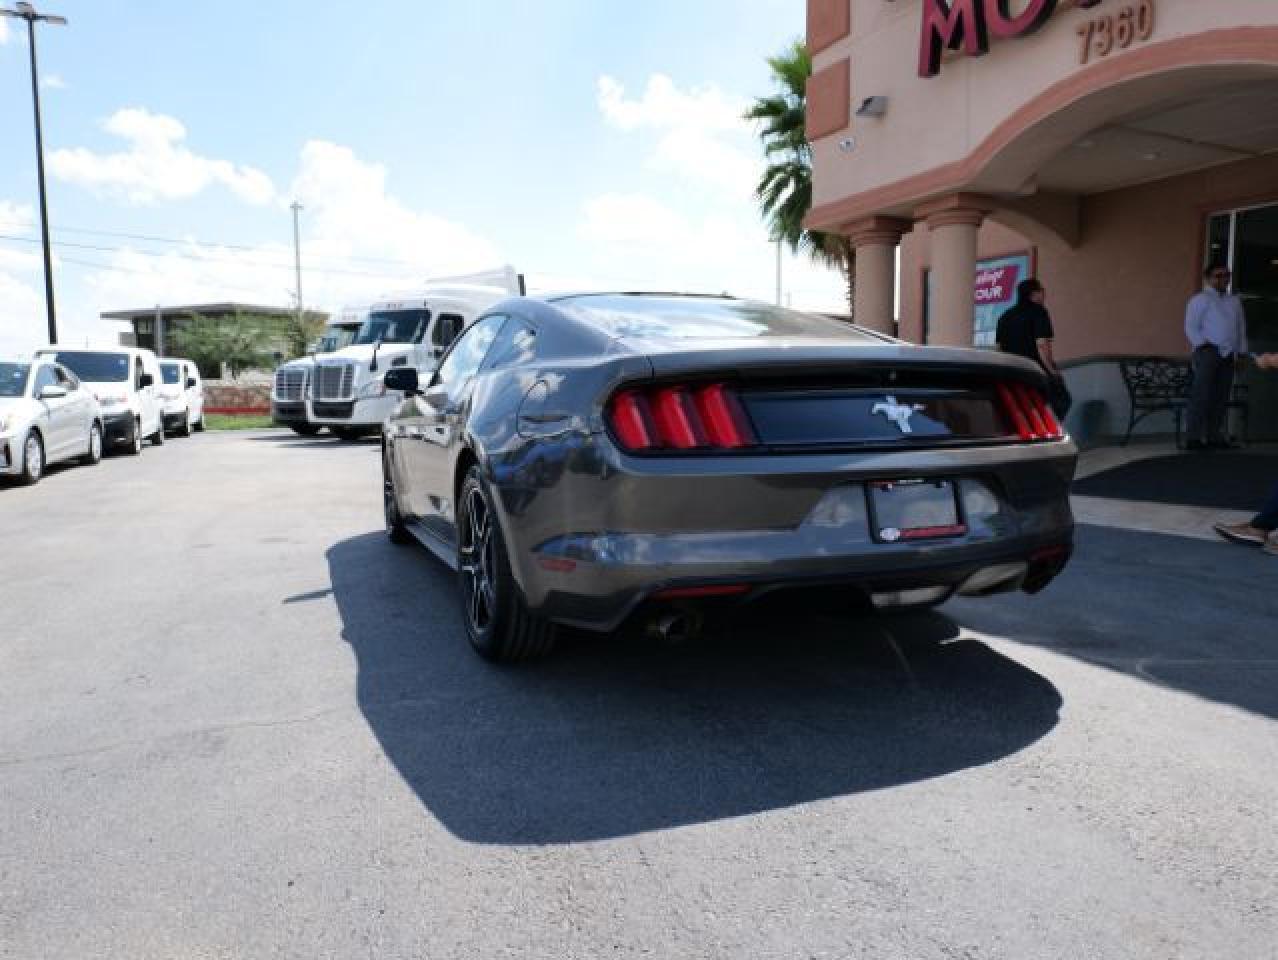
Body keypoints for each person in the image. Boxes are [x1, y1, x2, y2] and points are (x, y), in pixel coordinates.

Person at [1184, 263, 1249, 450]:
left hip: (1229, 353)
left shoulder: (1234, 301)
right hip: (1208, 351)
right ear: (1208, 278)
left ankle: (1214, 436)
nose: (1224, 279)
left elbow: (1240, 328)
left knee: (1221, 396)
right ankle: (1193, 438)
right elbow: (1190, 326)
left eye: (1227, 275)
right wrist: (1203, 345)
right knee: (1201, 395)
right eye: (1219, 275)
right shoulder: (1200, 299)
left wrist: (1242, 352)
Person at [996, 277, 1071, 418]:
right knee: (1062, 401)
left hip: (1012, 372)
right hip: (1034, 370)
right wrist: (1052, 371)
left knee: (1021, 408)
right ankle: (1048, 433)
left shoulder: (1005, 316)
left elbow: (999, 348)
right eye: (1042, 290)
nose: (1044, 294)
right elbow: (1042, 344)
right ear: (1034, 293)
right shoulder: (1039, 312)